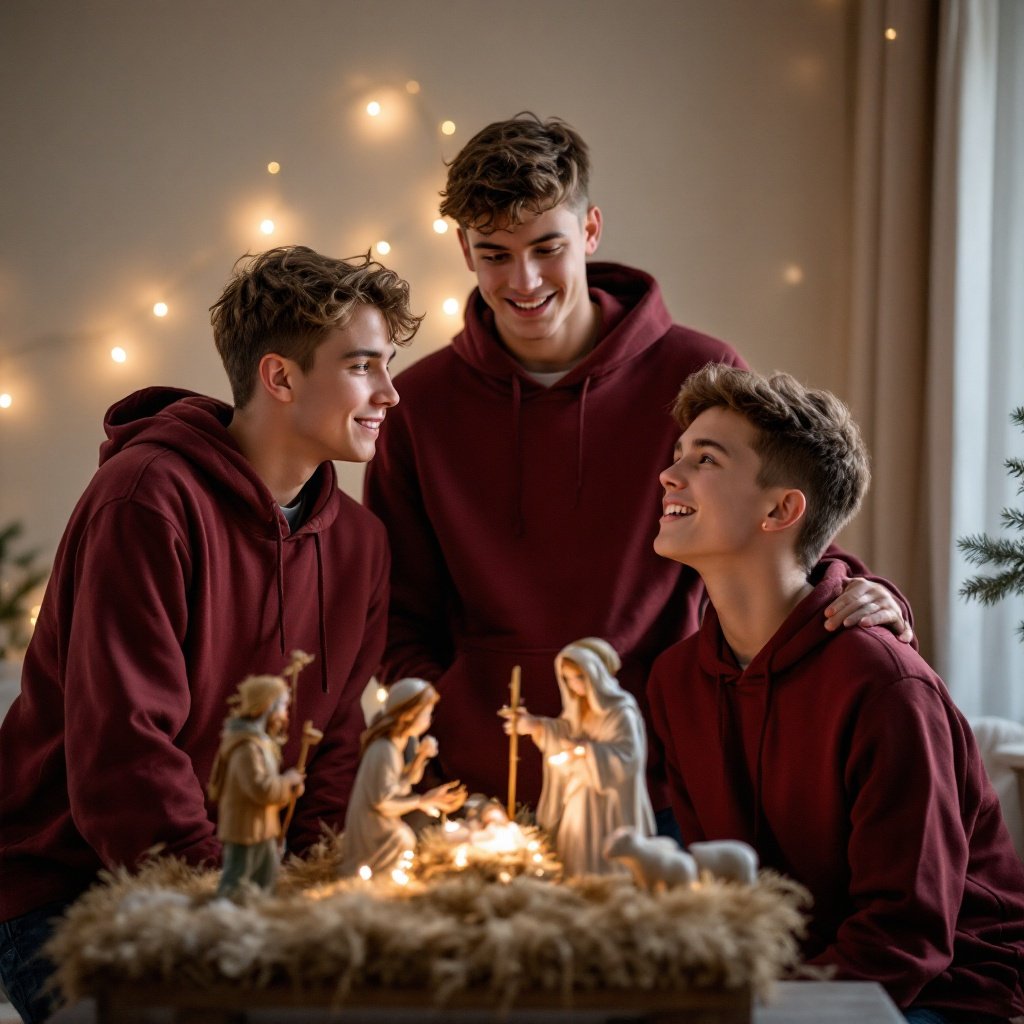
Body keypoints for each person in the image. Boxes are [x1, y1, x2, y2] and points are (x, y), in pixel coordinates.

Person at [364, 112, 914, 812]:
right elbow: (396, 609)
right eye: (495, 253)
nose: (524, 280)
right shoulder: (417, 404)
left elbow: (782, 538)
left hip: (669, 777)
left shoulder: (700, 373)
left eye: (547, 247)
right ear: (464, 250)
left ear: (590, 230)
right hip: (480, 785)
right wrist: (452, 721)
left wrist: (861, 590)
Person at [0, 245, 421, 1022]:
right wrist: (232, 909)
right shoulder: (145, 499)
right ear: (281, 377)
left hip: (247, 892)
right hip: (69, 890)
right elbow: (123, 752)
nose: (391, 393)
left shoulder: (361, 545)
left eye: (388, 365)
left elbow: (330, 754)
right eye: (364, 366)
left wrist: (305, 901)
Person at [646, 363, 1024, 1022]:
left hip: (946, 990)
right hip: (797, 977)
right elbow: (725, 896)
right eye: (679, 456)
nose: (668, 475)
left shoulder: (884, 686)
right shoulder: (676, 681)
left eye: (704, 460)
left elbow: (905, 937)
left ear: (782, 509)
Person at [500, 637, 655, 876]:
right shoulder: (578, 707)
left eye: (579, 677)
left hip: (608, 800)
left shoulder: (620, 711)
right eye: (568, 679)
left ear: (596, 673)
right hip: (579, 792)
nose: (574, 686)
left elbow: (628, 755)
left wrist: (587, 751)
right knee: (576, 845)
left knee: (603, 852)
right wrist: (535, 726)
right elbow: (564, 730)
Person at [339, 678, 466, 878]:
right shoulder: (384, 750)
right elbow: (382, 801)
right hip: (371, 825)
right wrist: (421, 801)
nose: (429, 719)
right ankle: (379, 878)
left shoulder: (401, 742)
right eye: (426, 714)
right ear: (408, 715)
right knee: (403, 838)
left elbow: (406, 782)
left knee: (412, 832)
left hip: (382, 818)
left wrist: (421, 756)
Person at [208, 674, 305, 900]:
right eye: (282, 705)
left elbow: (271, 792)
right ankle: (222, 917)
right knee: (237, 881)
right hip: (245, 829)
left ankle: (256, 919)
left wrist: (291, 789)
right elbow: (261, 790)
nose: (285, 711)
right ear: (266, 705)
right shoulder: (246, 748)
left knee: (267, 880)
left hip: (262, 827)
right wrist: (288, 781)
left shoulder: (262, 743)